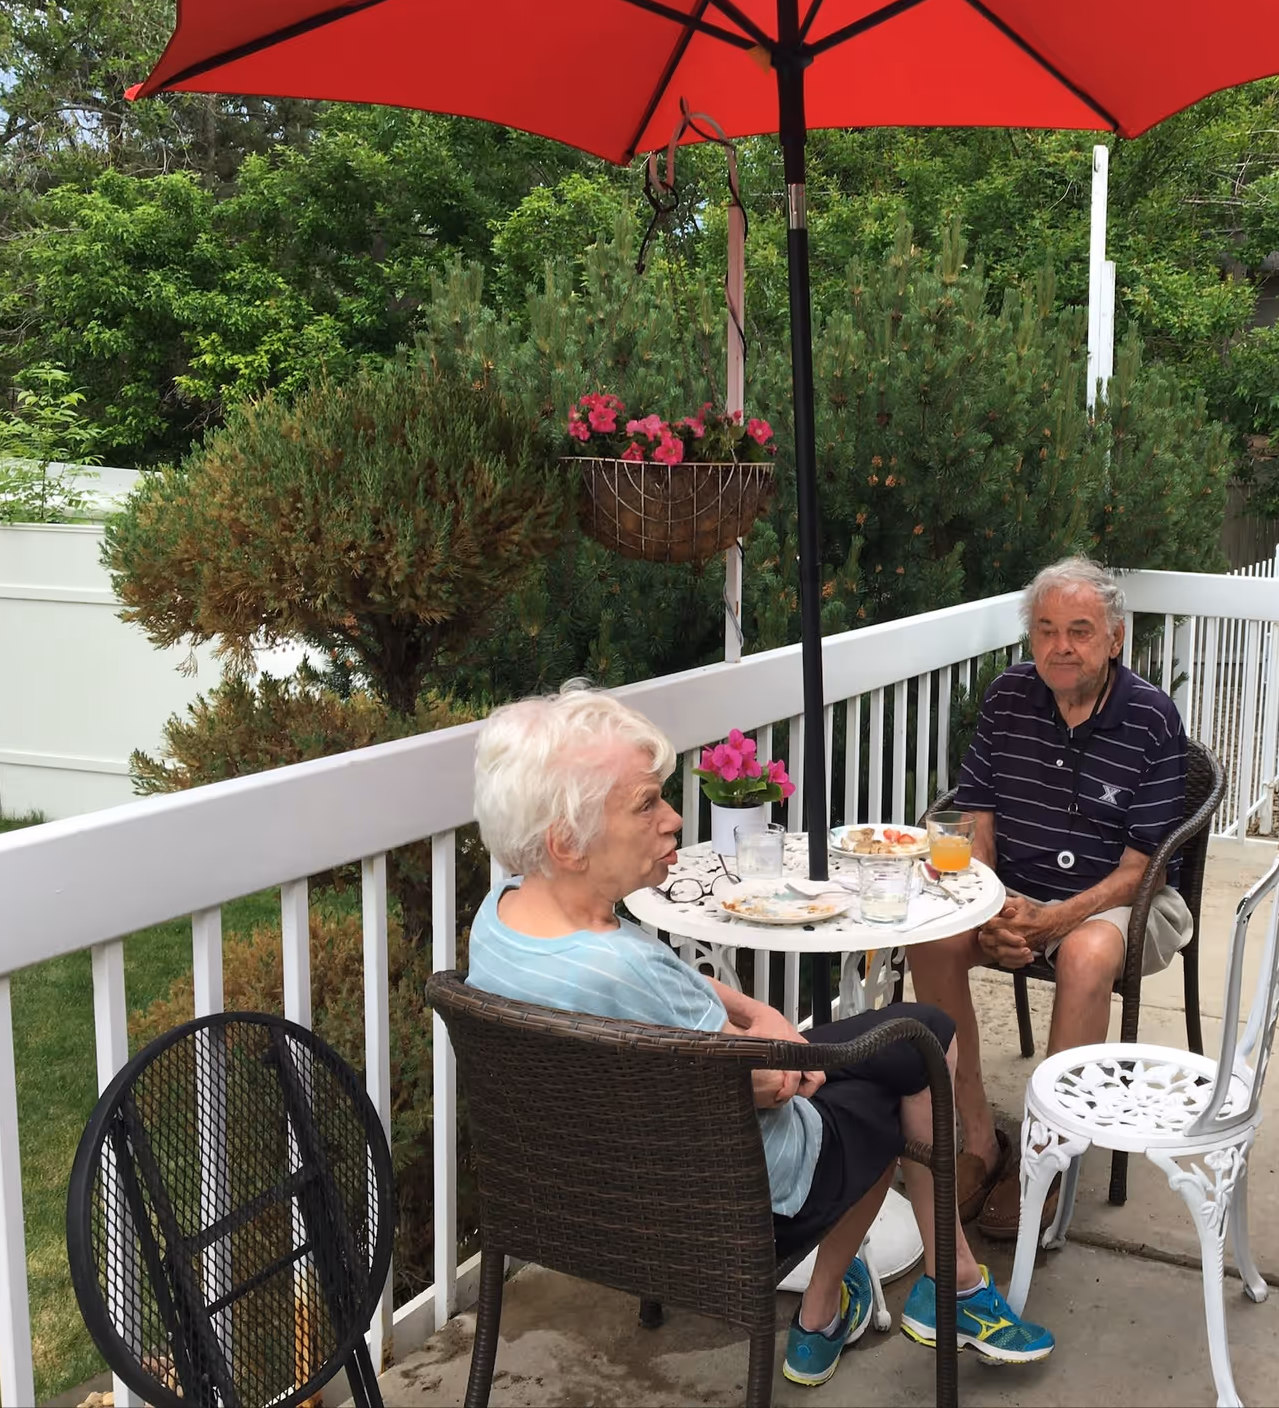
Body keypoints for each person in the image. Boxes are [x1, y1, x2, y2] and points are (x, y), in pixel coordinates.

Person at [464, 684, 1053, 1389]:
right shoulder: (627, 973)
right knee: (924, 1044)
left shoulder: (503, 918)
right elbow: (777, 1083)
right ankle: (892, 1294)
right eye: (646, 802)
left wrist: (759, 1016)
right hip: (748, 1203)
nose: (674, 817)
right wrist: (783, 1050)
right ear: (566, 841)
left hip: (588, 1206)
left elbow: (685, 1006)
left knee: (893, 1046)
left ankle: (898, 1289)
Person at [906, 556, 1193, 1239]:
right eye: (1046, 630)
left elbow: (1140, 868)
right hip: (1016, 893)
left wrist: (1052, 921)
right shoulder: (1010, 696)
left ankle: (1044, 1158)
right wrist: (993, 908)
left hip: (1121, 898)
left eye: (1080, 631)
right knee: (932, 936)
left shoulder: (1152, 718)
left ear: (1114, 639)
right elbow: (974, 815)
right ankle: (979, 1141)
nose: (1061, 646)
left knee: (1088, 955)